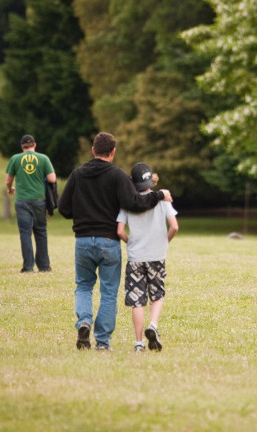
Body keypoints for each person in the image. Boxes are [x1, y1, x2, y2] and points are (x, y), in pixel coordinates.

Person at [58, 132, 173, 351]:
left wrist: (84, 214)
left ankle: (83, 322)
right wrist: (159, 195)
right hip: (109, 241)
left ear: (93, 150)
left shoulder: (77, 174)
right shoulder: (117, 176)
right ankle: (102, 342)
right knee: (108, 291)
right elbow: (134, 202)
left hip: (82, 241)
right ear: (113, 152)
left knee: (83, 286)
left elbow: (63, 208)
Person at [116, 163, 178, 352]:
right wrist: (164, 242)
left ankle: (138, 343)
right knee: (157, 295)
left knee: (137, 300)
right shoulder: (163, 200)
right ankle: (153, 325)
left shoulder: (129, 202)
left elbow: (119, 230)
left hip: (136, 257)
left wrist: (130, 243)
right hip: (156, 255)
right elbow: (174, 226)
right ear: (151, 180)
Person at [5, 134, 57, 273]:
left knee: (25, 233)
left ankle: (28, 267)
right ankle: (44, 266)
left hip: (22, 200)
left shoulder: (15, 159)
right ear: (35, 145)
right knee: (41, 231)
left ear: (22, 146)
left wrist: (10, 189)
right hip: (39, 200)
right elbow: (52, 178)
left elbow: (8, 180)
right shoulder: (43, 158)